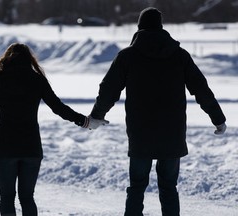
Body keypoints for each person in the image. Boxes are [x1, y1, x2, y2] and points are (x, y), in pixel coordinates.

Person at [89, 7, 226, 216]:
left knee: (136, 185)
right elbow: (201, 89)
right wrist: (217, 118)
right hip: (172, 133)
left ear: (139, 28)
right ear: (161, 27)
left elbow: (109, 89)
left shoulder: (128, 56)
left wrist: (97, 116)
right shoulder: (179, 56)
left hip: (140, 133)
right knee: (169, 187)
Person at [0, 43, 108, 216]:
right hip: (31, 147)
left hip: (5, 148)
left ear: (7, 59)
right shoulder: (37, 80)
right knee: (27, 197)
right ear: (29, 59)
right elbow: (58, 107)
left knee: (7, 198)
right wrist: (86, 122)